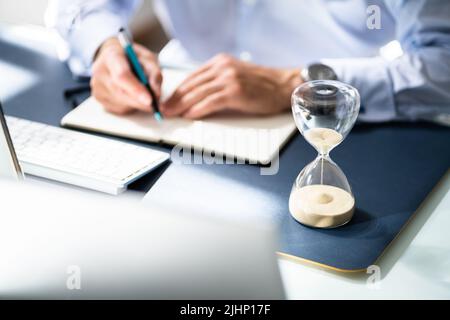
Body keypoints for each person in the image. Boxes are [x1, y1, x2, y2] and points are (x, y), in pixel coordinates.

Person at [46, 0, 450, 123]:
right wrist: (105, 48)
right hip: (177, 109)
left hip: (336, 124)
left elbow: (443, 63)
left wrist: (295, 84)